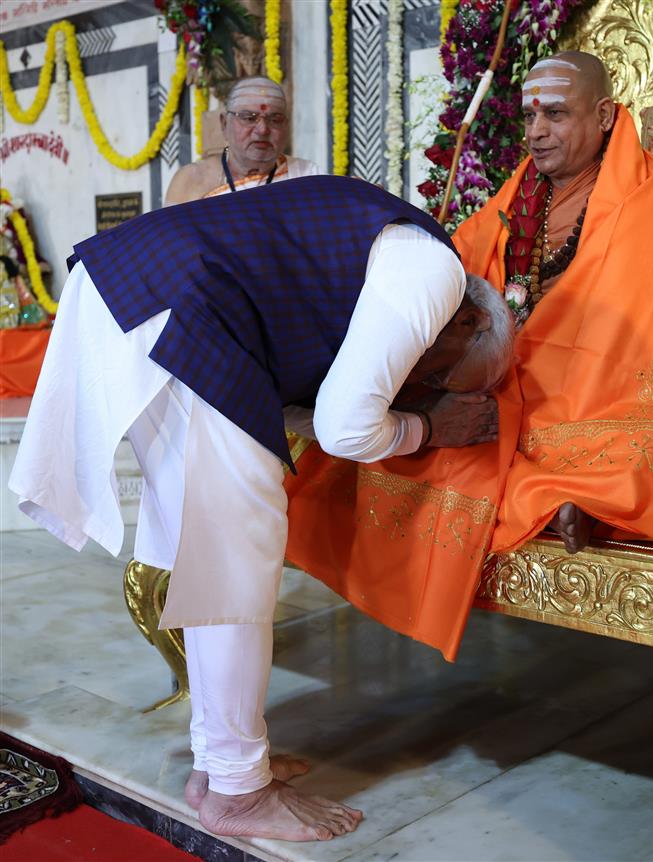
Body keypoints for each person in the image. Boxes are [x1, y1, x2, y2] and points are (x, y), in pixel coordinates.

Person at [8, 175, 512, 841]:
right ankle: (239, 794)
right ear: (470, 319)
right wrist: (431, 429)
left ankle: (220, 767)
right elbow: (343, 426)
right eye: (443, 377)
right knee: (235, 563)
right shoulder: (435, 272)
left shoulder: (390, 255)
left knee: (207, 559)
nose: (421, 384)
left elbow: (289, 403)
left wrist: (408, 416)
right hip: (183, 309)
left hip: (137, 290)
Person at [280, 51, 653, 665]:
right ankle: (567, 500)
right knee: (394, 441)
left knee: (639, 446)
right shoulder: (518, 197)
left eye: (556, 115)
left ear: (606, 116)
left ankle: (583, 504)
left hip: (614, 394)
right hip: (507, 384)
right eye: (530, 115)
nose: (536, 131)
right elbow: (456, 277)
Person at [164, 77, 319, 205]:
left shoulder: (308, 177)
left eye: (275, 119)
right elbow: (169, 240)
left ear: (286, 126)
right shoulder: (191, 180)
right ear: (224, 124)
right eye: (249, 118)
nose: (263, 129)